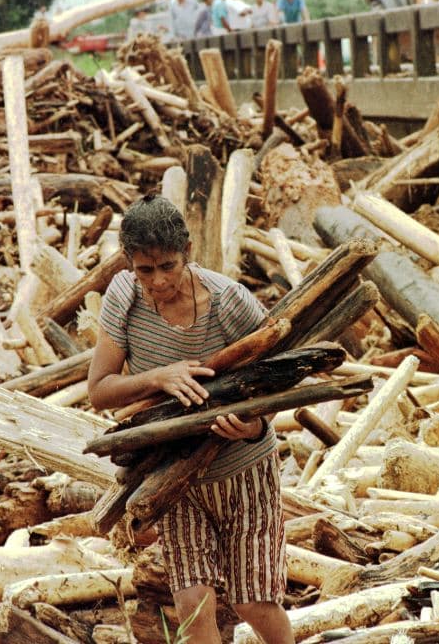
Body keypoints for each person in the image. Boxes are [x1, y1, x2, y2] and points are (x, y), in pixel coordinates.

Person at [88, 196, 294, 644]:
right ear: (128, 263)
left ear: (188, 253)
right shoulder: (124, 298)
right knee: (193, 605)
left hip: (243, 470)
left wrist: (256, 425)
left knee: (252, 601)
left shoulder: (229, 303)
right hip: (176, 475)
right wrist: (160, 376)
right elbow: (99, 389)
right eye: (146, 270)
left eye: (168, 267)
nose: (158, 281)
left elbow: (278, 377)